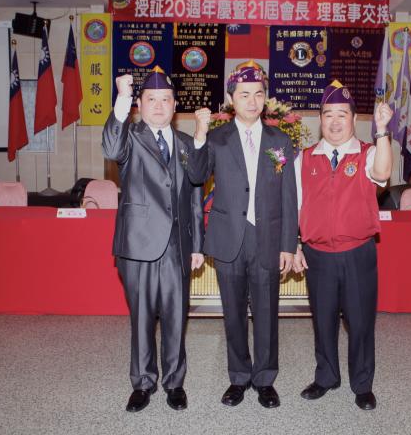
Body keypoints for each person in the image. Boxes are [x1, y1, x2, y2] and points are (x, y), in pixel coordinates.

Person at [189, 60, 298, 409]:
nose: (252, 101)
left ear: (265, 98)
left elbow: (289, 196)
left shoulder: (281, 140)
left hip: (268, 237)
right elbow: (196, 175)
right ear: (232, 99)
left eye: (258, 94)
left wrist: (289, 244)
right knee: (233, 312)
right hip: (229, 237)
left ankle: (265, 379)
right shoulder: (217, 139)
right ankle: (238, 377)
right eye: (244, 94)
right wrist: (199, 135)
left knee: (266, 311)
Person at [102, 65, 205, 413]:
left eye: (165, 99)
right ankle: (143, 383)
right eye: (151, 99)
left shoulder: (187, 144)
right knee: (142, 318)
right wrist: (121, 99)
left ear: (175, 105)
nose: (159, 106)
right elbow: (111, 148)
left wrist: (198, 245)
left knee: (176, 317)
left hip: (177, 245)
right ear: (139, 104)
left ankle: (175, 382)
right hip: (139, 245)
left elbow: (195, 197)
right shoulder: (129, 137)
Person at [293, 80, 394, 411]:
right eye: (328, 115)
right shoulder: (305, 158)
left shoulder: (367, 153)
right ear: (320, 119)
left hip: (357, 254)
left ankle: (362, 384)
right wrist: (294, 244)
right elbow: (295, 206)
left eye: (342, 114)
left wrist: (382, 130)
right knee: (323, 321)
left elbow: (383, 172)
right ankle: (326, 377)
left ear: (353, 118)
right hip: (318, 254)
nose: (335, 122)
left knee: (360, 322)